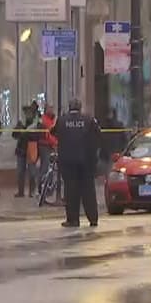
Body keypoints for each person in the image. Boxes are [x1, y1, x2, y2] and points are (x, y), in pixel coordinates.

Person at [52, 98, 102, 228]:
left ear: (69, 107)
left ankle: (73, 220)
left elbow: (54, 132)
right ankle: (93, 218)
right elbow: (98, 135)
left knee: (71, 191)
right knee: (88, 190)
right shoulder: (88, 120)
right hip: (86, 162)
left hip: (68, 162)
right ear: (80, 107)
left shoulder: (62, 120)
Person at [12, 103, 41, 197]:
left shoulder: (36, 124)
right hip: (21, 150)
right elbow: (14, 135)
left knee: (32, 172)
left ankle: (31, 192)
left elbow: (37, 136)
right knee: (20, 172)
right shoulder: (21, 123)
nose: (27, 114)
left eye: (29, 112)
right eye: (26, 112)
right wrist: (19, 130)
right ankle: (20, 192)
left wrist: (25, 133)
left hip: (32, 150)